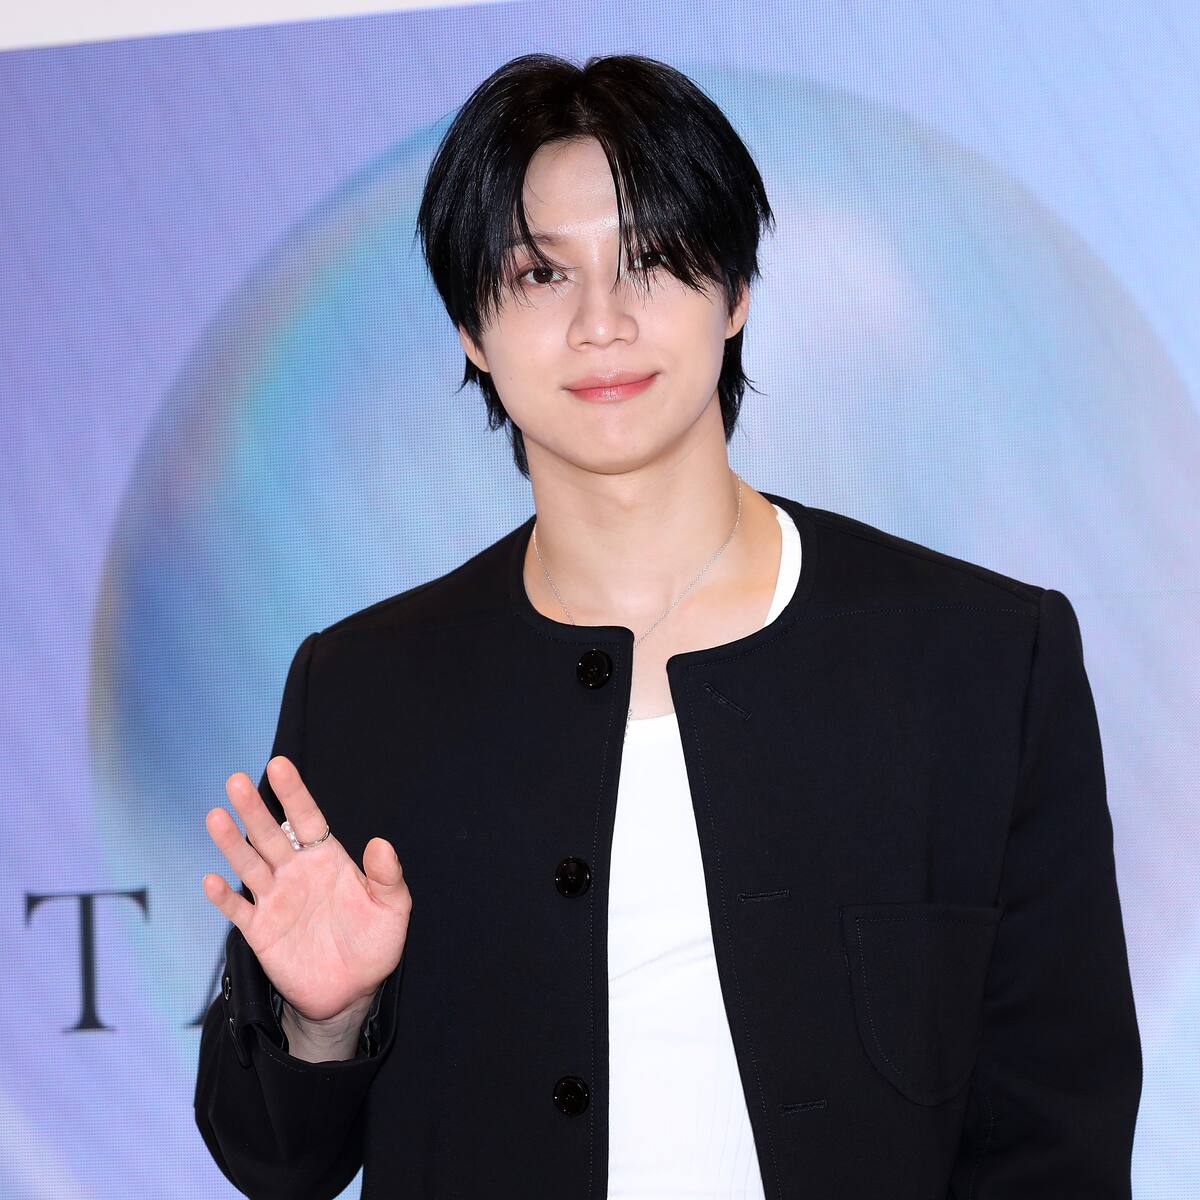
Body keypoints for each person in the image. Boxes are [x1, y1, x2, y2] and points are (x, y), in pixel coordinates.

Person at [193, 52, 1142, 1199]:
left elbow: (1058, 1132)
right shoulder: (365, 686)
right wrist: (323, 1017)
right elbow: (272, 1158)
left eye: (648, 259)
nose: (602, 322)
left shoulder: (982, 658)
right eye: (540, 273)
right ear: (471, 329)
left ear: (735, 291)